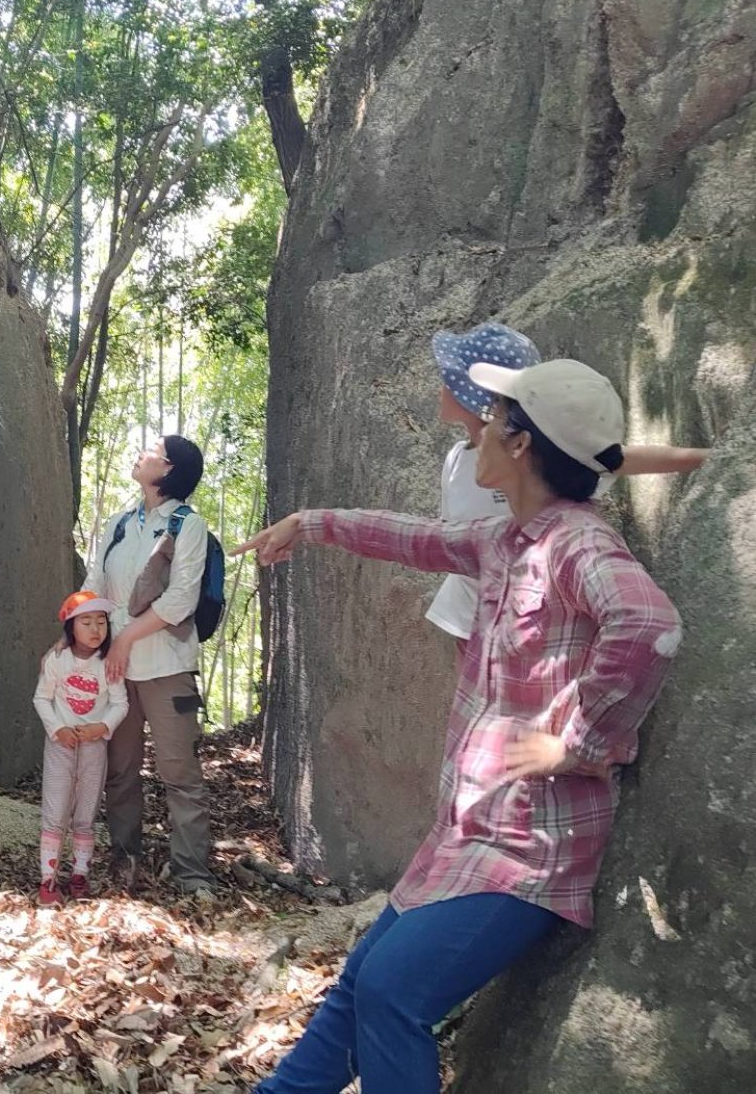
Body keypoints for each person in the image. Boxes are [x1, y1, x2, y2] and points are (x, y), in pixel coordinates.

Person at [236, 359, 683, 1094]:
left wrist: (578, 742)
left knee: (392, 994)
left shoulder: (577, 543)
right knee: (362, 982)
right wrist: (309, 524)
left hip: (530, 852)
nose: (479, 431)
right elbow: (412, 538)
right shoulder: (505, 540)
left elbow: (646, 623)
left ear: (522, 444)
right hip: (468, 836)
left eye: (495, 420)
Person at [426, 322, 708, 652]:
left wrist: (718, 458)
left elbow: (623, 458)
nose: (441, 386)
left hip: (528, 624)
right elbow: (448, 532)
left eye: (449, 379)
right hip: (468, 613)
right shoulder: (457, 459)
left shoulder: (548, 460)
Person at [86, 435, 218, 896]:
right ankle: (124, 859)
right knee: (120, 769)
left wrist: (125, 637)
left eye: (151, 450)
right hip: (115, 669)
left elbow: (181, 600)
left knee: (180, 773)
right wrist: (84, 639)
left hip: (167, 665)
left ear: (168, 470)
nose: (140, 453)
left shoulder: (188, 525)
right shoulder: (120, 523)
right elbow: (95, 585)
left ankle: (192, 874)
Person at [32, 591, 129, 905]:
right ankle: (48, 881)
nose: (95, 629)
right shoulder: (58, 660)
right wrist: (58, 729)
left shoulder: (108, 663)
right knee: (55, 810)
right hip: (60, 745)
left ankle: (79, 875)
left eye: (101, 622)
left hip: (93, 747)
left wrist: (101, 727)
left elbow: (120, 703)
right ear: (71, 627)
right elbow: (41, 698)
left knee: (86, 812)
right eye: (86, 622)